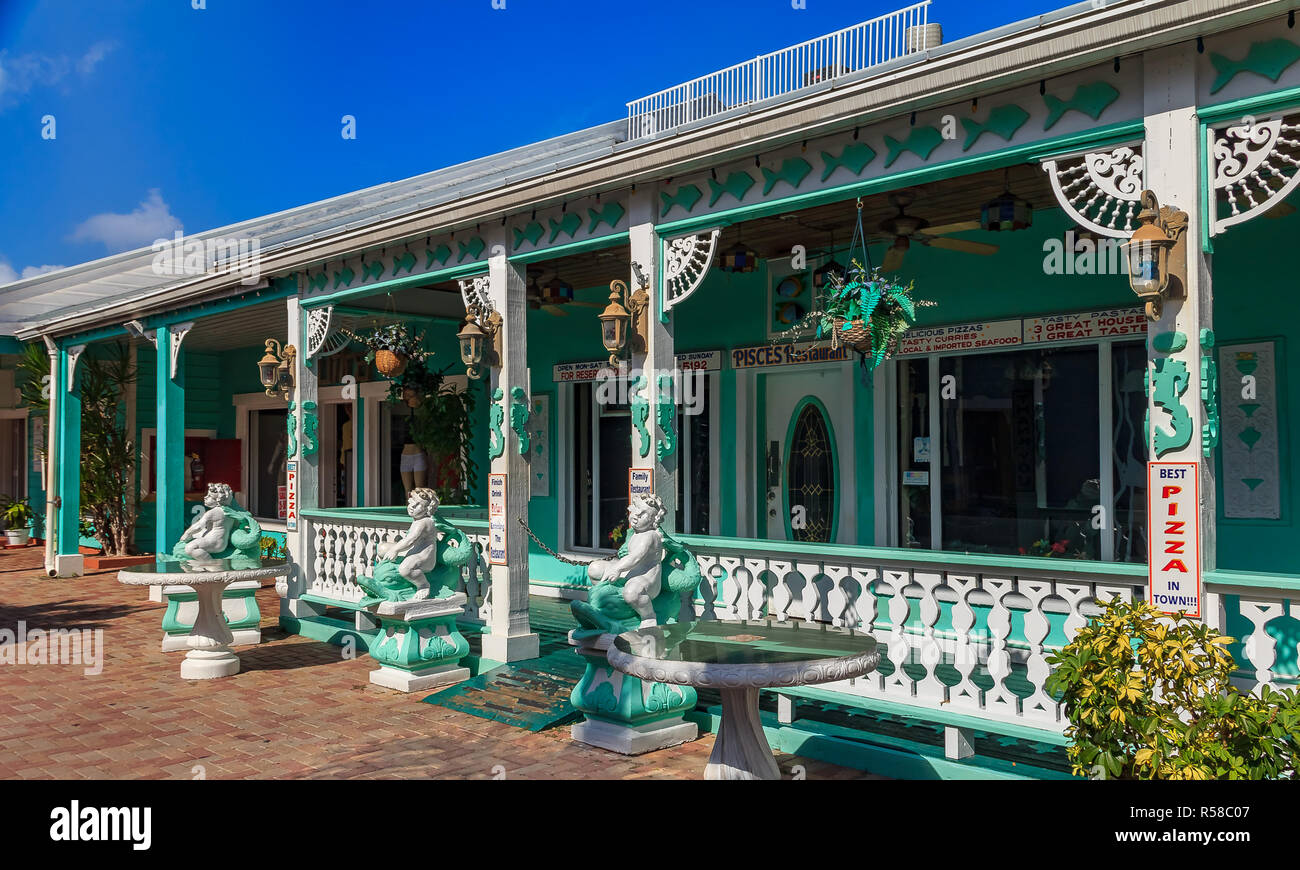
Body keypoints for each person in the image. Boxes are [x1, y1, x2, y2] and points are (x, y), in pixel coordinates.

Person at [587, 494, 668, 628]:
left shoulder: (650, 536)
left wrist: (617, 568)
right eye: (635, 511)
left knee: (632, 593)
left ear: (654, 519)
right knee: (594, 569)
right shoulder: (636, 533)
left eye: (642, 515)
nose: (636, 516)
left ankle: (648, 616)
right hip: (630, 571)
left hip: (646, 578)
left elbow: (635, 557)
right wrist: (615, 567)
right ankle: (607, 604)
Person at [377, 487, 441, 600]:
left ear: (427, 510)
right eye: (411, 502)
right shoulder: (417, 520)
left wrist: (395, 550)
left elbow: (410, 540)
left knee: (405, 569)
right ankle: (388, 570)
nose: (411, 506)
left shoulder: (424, 522)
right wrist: (393, 549)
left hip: (424, 558)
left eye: (417, 505)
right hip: (413, 550)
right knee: (382, 548)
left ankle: (423, 585)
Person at [177, 483, 237, 560]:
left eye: (209, 496)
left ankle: (211, 564)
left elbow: (198, 526)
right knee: (195, 536)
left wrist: (186, 534)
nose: (205, 497)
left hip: (213, 542)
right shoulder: (231, 512)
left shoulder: (213, 512)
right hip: (221, 542)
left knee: (190, 548)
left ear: (218, 500)